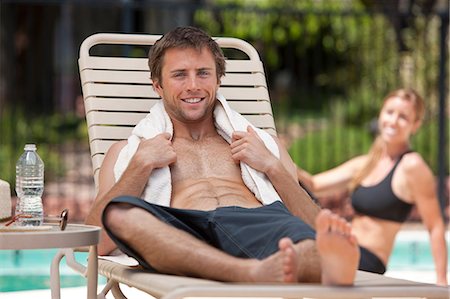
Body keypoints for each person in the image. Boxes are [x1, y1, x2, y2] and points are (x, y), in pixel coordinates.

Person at [85, 26, 360, 286]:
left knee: (315, 245)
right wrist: (139, 166)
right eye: (179, 75)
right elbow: (97, 242)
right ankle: (251, 273)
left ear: (218, 79)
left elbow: (315, 223)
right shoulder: (128, 151)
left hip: (257, 224)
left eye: (203, 73)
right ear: (157, 85)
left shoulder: (263, 144)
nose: (193, 85)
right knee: (121, 215)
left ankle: (316, 265)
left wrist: (272, 166)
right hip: (182, 231)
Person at [296, 88, 448, 286]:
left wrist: (441, 281)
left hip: (366, 259)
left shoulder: (412, 166)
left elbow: (435, 226)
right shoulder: (367, 164)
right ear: (381, 114)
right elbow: (314, 184)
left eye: (403, 117)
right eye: (389, 112)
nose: (393, 121)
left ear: (415, 125)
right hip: (342, 247)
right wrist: (275, 154)